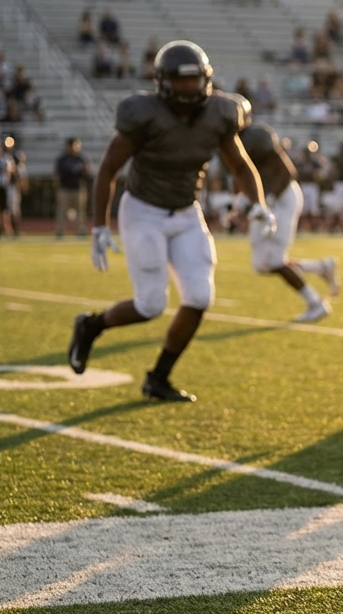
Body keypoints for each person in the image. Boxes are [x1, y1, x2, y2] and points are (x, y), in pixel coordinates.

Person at [67, 41, 276, 402]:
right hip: (143, 210)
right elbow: (108, 171)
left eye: (194, 81)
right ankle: (91, 325)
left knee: (199, 296)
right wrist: (99, 225)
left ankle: (158, 377)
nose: (188, 89)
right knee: (149, 306)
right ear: (162, 82)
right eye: (181, 82)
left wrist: (258, 203)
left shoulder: (219, 114)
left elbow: (240, 165)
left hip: (186, 211)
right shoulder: (142, 114)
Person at [236, 121, 340, 322]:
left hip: (281, 198)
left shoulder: (256, 138)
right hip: (264, 200)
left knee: (274, 260)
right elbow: (240, 175)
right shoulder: (227, 142)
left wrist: (271, 199)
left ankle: (316, 304)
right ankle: (320, 267)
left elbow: (287, 172)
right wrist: (238, 203)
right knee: (261, 264)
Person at [56, 137, 94, 237]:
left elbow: (88, 175)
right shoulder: (62, 159)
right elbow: (58, 173)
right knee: (62, 212)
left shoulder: (82, 159)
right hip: (65, 189)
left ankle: (80, 231)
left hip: (78, 189)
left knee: (80, 213)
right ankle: (60, 232)